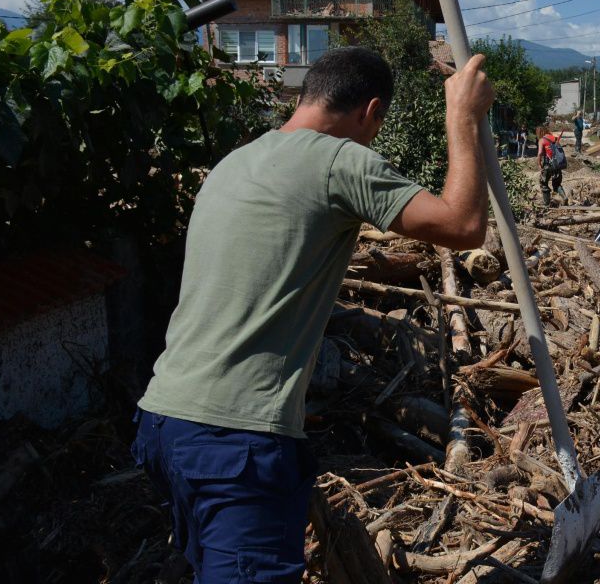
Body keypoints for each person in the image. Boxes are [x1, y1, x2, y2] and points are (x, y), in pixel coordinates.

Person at [132, 47, 494, 583]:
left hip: (164, 420)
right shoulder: (337, 161)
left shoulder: (236, 162)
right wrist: (462, 116)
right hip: (236, 439)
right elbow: (463, 225)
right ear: (372, 111)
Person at [537, 126, 568, 206]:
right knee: (557, 184)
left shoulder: (542, 140)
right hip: (557, 164)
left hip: (548, 165)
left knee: (543, 183)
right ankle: (564, 197)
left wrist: (539, 164)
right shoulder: (554, 138)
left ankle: (546, 203)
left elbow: (540, 153)